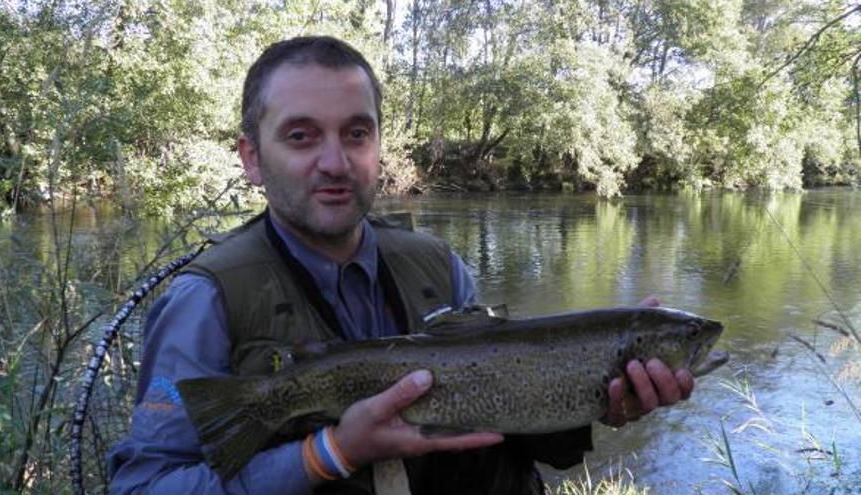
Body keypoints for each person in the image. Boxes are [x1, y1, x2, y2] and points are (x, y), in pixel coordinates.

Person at [107, 36, 694, 495]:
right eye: (302, 136)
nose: (334, 162)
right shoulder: (204, 301)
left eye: (356, 133)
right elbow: (145, 487)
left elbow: (500, 426)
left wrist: (597, 399)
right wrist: (330, 453)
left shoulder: (438, 265)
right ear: (252, 158)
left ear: (379, 147)